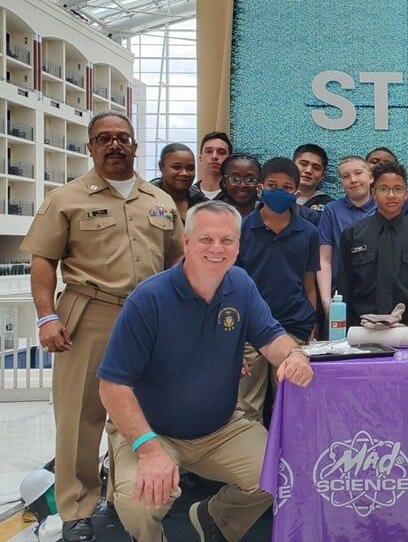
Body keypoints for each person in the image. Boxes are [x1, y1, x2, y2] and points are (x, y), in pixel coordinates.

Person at [97, 201, 314, 542]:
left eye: (227, 240)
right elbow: (112, 386)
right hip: (154, 433)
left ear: (238, 247)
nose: (217, 249)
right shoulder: (148, 299)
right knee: (141, 501)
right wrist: (150, 450)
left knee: (283, 473)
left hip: (220, 428)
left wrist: (294, 355)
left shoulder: (240, 284)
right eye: (206, 239)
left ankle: (215, 521)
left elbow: (272, 337)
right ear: (186, 243)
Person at [22, 111, 183, 542]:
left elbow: (176, 263)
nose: (115, 145)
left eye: (123, 138)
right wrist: (46, 315)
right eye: (104, 139)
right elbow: (43, 263)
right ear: (90, 147)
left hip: (148, 317)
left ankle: (124, 494)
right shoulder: (66, 199)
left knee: (141, 409)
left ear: (135, 145)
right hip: (89, 314)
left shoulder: (160, 201)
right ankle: (77, 507)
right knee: (79, 415)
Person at [236, 158, 319, 422]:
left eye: (286, 188)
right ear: (260, 188)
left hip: (294, 327)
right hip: (250, 329)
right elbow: (232, 284)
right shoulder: (240, 229)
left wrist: (312, 326)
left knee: (292, 404)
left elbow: (309, 284)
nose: (278, 192)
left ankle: (290, 462)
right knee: (246, 408)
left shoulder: (309, 232)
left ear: (296, 193)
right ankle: (256, 463)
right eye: (272, 185)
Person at [340, 161, 408, 327]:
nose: (391, 195)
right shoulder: (353, 234)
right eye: (384, 189)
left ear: (406, 194)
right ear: (373, 193)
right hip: (363, 330)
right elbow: (345, 287)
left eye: (398, 189)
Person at [317, 155, 377, 309]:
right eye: (346, 176)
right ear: (341, 184)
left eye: (358, 173)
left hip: (376, 293)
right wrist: (326, 300)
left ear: (370, 177)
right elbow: (324, 259)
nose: (353, 179)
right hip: (340, 296)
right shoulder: (331, 210)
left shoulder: (383, 209)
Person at [151, 143, 207, 219]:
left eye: (190, 168)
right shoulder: (146, 200)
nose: (184, 173)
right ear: (161, 167)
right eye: (176, 167)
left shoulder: (203, 205)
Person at [214, 153, 261, 218]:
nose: (242, 185)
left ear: (259, 182)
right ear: (224, 182)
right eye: (235, 179)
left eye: (250, 180)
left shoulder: (269, 212)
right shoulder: (211, 213)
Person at [293, 143, 333, 211]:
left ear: (322, 176)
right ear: (291, 166)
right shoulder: (275, 196)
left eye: (316, 168)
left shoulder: (330, 206)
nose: (308, 171)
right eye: (303, 164)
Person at [194, 131, 232, 200]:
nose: (214, 156)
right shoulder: (188, 195)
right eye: (209, 151)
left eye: (221, 152)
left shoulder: (236, 196)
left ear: (229, 160)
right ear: (200, 159)